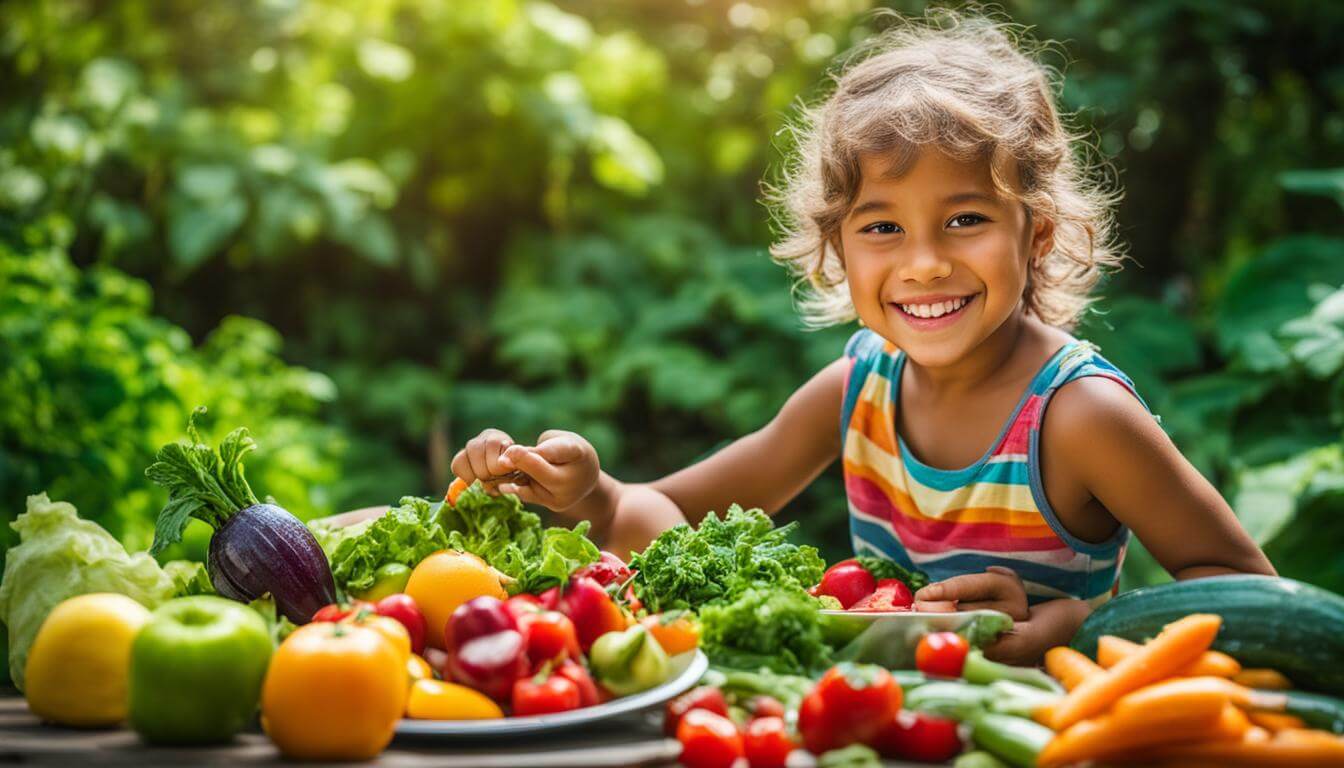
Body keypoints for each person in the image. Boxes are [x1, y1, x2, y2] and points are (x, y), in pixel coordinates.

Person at [450, 12, 1274, 664]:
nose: (923, 262)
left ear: (1039, 237)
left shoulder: (1080, 416)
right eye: (881, 226)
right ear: (837, 249)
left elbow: (1254, 598)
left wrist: (1084, 627)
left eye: (965, 218)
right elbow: (658, 515)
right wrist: (589, 493)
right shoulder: (855, 391)